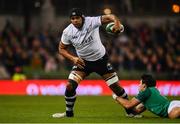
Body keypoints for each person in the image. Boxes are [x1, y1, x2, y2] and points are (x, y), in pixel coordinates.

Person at [52, 8, 136, 118]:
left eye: (77, 18)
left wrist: (116, 23)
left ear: (82, 17)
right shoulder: (67, 32)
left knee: (116, 88)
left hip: (101, 60)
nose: (75, 20)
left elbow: (110, 16)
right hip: (83, 62)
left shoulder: (91, 21)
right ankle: (69, 114)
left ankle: (129, 112)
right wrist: (73, 59)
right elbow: (61, 49)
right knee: (69, 86)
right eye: (72, 19)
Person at [112, 74, 180, 119]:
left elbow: (128, 105)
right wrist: (122, 102)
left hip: (171, 108)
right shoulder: (151, 92)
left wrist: (116, 96)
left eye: (140, 83)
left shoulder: (146, 92)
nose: (139, 85)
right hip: (173, 105)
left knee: (172, 115)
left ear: (144, 85)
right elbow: (136, 110)